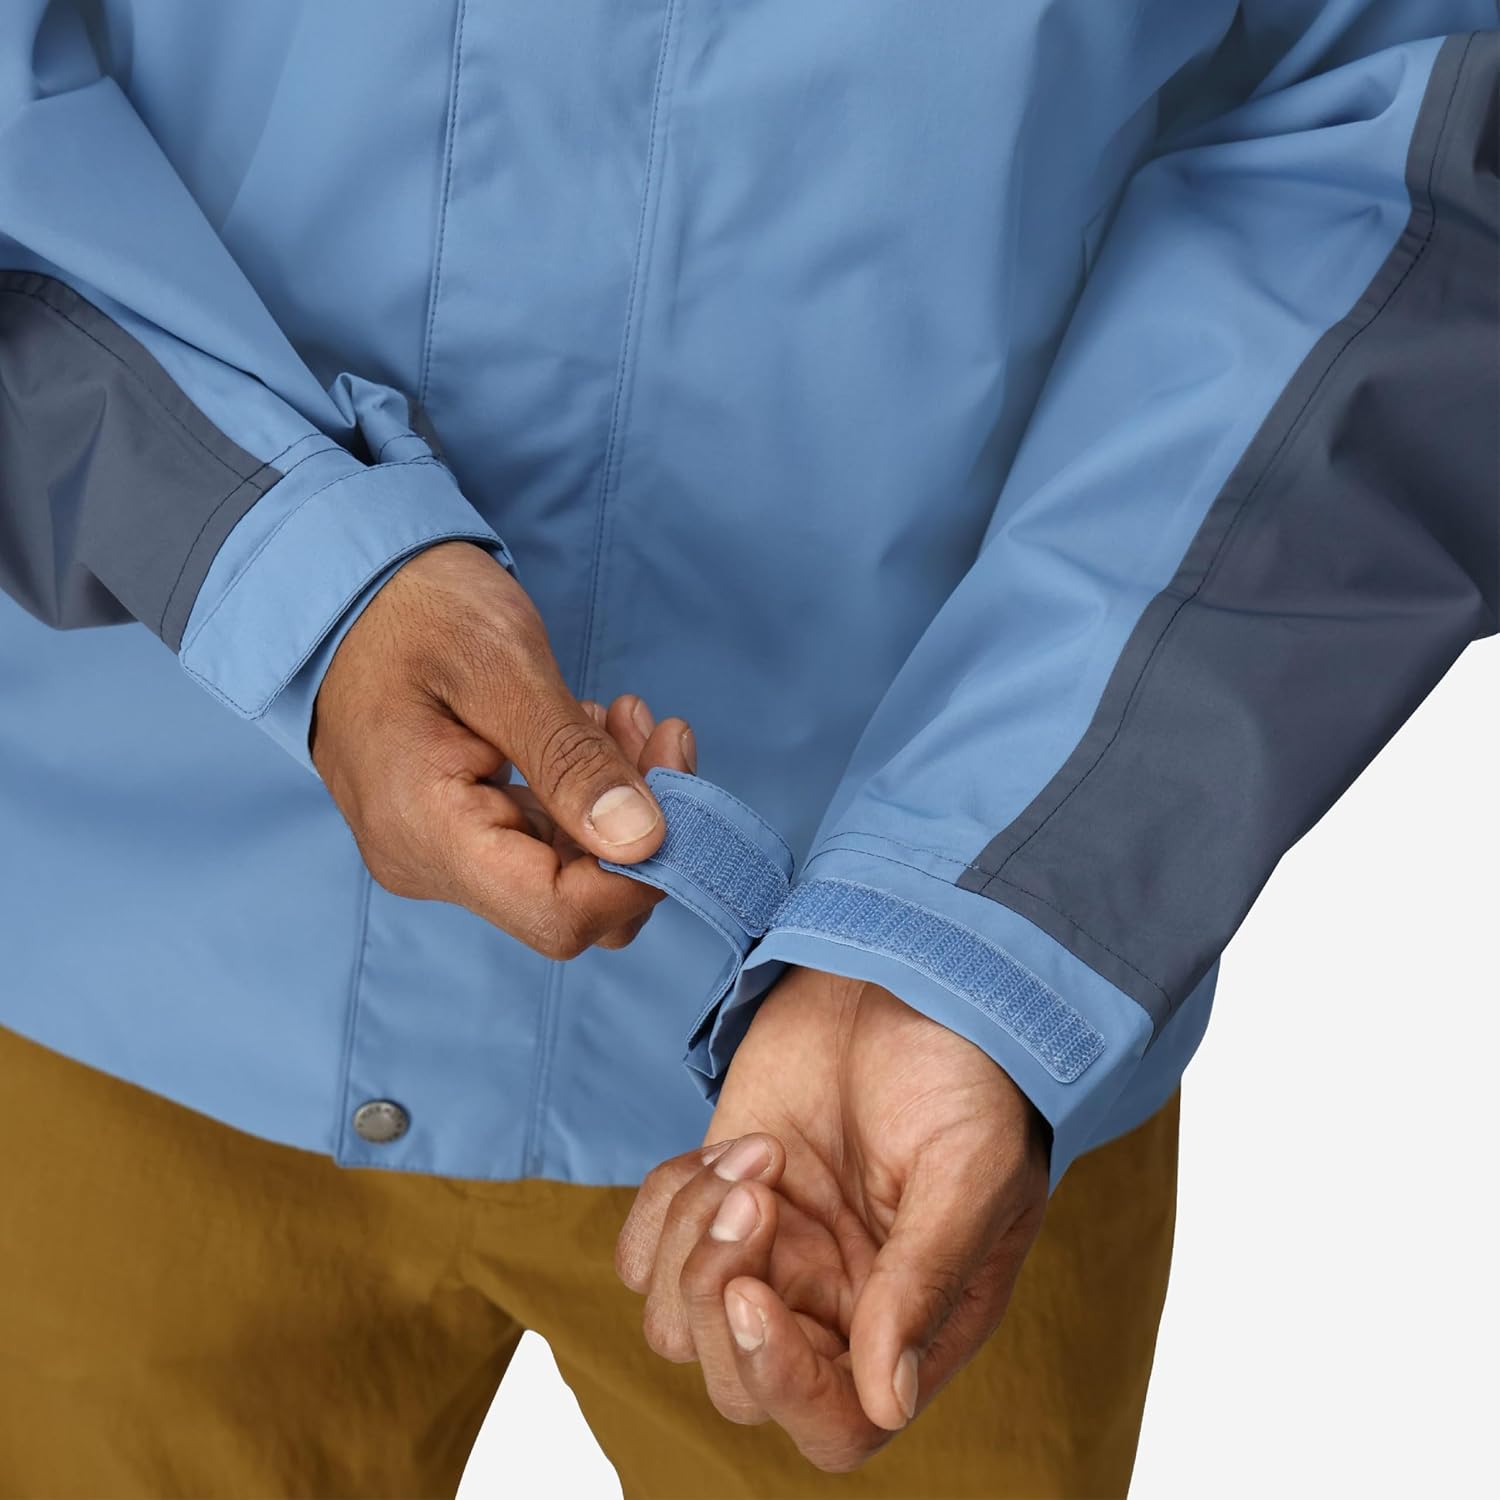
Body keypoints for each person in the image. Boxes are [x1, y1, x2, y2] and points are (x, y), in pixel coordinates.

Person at [1, 2, 1494, 1495]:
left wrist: (990, 908)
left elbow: (1412, 126)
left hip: (921, 1100)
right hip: (130, 969)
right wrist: (284, 573)